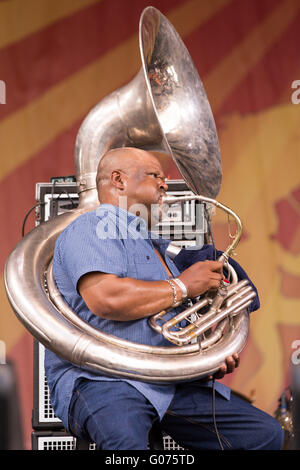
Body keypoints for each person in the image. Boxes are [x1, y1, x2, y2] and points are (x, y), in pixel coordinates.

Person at [45, 147, 283, 450]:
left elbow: (174, 322)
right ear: (118, 180)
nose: (165, 184)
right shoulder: (91, 227)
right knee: (127, 447)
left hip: (169, 384)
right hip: (104, 380)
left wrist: (207, 354)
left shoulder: (160, 249)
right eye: (155, 175)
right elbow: (106, 298)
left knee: (262, 436)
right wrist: (183, 286)